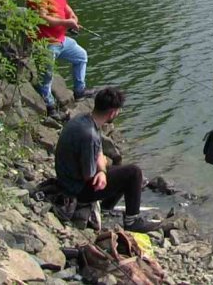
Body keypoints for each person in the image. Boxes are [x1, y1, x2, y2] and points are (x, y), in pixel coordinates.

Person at [53, 87, 159, 232]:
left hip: (67, 178)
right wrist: (101, 170)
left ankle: (106, 207)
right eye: (119, 110)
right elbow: (89, 175)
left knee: (120, 169)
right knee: (134, 173)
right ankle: (132, 221)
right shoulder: (89, 135)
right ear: (112, 112)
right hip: (75, 190)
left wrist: (102, 168)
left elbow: (98, 149)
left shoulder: (85, 119)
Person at [29, 0, 93, 119]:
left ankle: (79, 91)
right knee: (46, 77)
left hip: (61, 39)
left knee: (81, 56)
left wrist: (73, 16)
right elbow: (44, 18)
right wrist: (67, 23)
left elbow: (65, 7)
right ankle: (50, 107)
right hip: (45, 42)